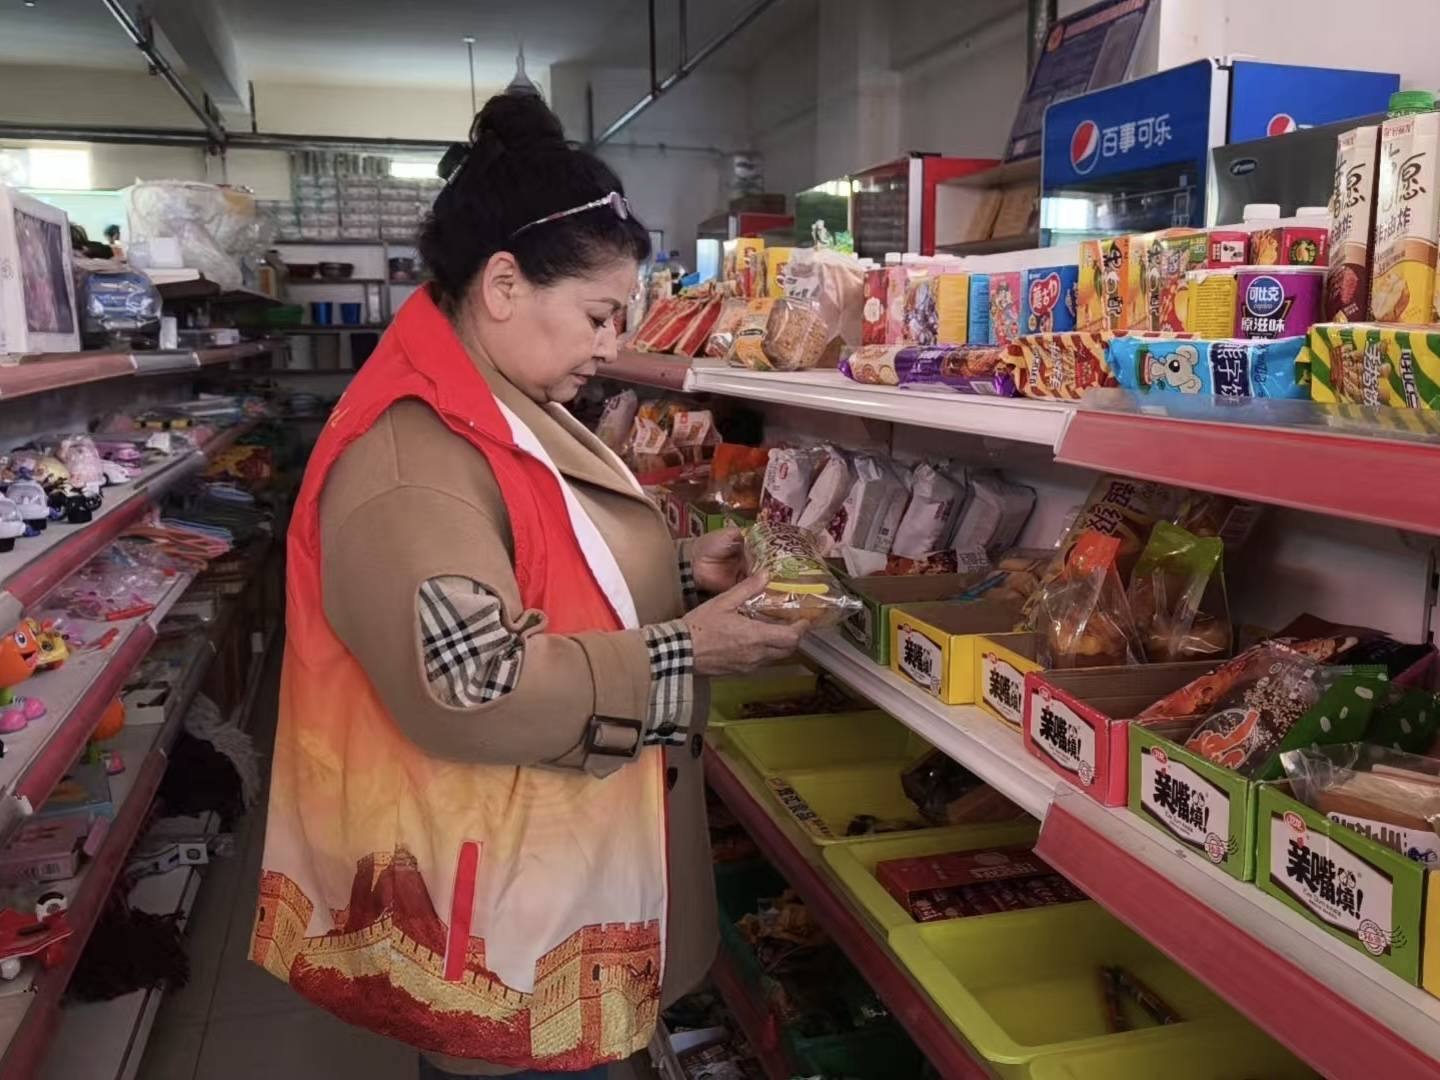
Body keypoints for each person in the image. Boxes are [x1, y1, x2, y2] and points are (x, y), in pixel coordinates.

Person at [249, 90, 810, 1079]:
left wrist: (677, 577)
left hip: (543, 882)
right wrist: (689, 648)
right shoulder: (410, 457)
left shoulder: (494, 403)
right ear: (503, 284)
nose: (612, 345)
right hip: (501, 925)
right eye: (599, 315)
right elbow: (475, 684)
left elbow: (535, 559)